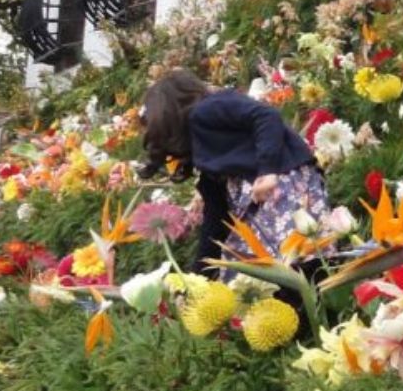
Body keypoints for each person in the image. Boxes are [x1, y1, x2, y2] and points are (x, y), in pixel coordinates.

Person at [140, 70, 329, 276]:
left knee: (299, 260)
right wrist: (196, 279)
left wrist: (268, 169)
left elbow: (266, 115)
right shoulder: (208, 162)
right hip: (266, 200)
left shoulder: (208, 109)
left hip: (283, 182)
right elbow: (216, 221)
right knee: (252, 271)